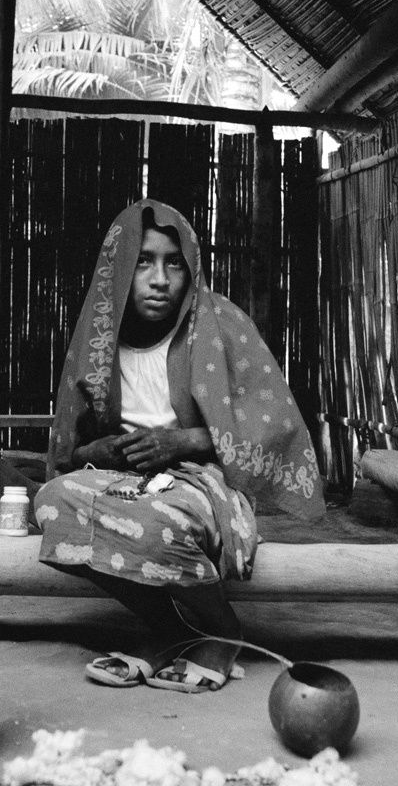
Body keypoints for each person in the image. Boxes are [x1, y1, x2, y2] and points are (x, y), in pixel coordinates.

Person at [35, 199, 325, 692]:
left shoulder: (220, 324)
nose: (160, 278)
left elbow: (276, 426)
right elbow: (73, 449)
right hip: (122, 478)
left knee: (159, 522)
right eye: (144, 261)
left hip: (200, 476)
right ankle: (168, 631)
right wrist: (97, 452)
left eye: (174, 262)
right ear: (120, 269)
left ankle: (222, 628)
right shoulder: (99, 336)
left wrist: (182, 441)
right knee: (53, 505)